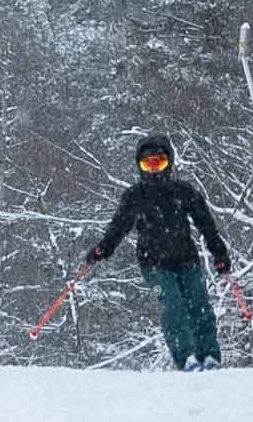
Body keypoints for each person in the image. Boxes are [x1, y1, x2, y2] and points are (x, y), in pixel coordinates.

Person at [85, 134, 232, 372]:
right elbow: (119, 226)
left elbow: (206, 224)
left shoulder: (183, 191)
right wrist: (103, 248)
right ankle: (186, 358)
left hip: (186, 260)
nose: (154, 171)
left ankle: (210, 356)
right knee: (173, 305)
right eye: (148, 164)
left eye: (159, 163)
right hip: (154, 265)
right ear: (140, 166)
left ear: (169, 163)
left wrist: (220, 254)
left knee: (199, 305)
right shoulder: (135, 196)